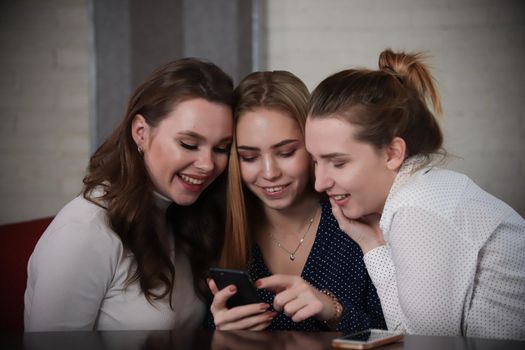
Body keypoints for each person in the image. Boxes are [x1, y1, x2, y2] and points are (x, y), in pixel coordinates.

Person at [305, 49, 525, 339]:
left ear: (393, 153)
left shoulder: (418, 207)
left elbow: (424, 344)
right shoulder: (422, 192)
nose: (320, 183)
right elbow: (408, 331)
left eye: (338, 162)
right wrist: (371, 243)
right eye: (315, 161)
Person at [24, 58, 234, 331]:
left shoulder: (181, 215)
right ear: (141, 133)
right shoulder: (84, 231)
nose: (208, 164)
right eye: (189, 144)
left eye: (221, 148)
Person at [207, 71, 386, 332]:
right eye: (249, 157)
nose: (269, 173)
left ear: (314, 145)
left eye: (286, 152)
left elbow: (398, 336)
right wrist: (219, 332)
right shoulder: (218, 230)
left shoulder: (358, 221)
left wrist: (334, 311)